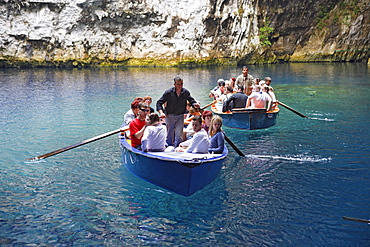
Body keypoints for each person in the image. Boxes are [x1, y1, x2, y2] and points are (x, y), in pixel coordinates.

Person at [156, 76, 200, 147]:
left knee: (179, 134)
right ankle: (168, 148)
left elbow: (191, 100)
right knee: (169, 134)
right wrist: (161, 112)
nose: (180, 86)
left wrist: (195, 104)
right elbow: (159, 102)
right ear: (174, 84)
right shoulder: (168, 92)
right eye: (178, 84)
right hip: (169, 115)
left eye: (181, 84)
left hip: (180, 115)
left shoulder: (185, 92)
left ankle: (177, 148)